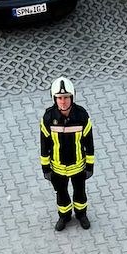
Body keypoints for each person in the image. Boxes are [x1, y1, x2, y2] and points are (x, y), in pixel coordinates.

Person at [40, 77, 94, 232]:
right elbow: (44, 145)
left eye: (66, 97)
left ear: (72, 97)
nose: (63, 102)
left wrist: (90, 166)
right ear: (54, 99)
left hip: (78, 166)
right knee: (61, 195)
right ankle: (64, 216)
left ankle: (81, 215)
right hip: (57, 168)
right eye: (59, 98)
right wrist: (46, 168)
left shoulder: (82, 116)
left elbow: (89, 143)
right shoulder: (48, 118)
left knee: (80, 194)